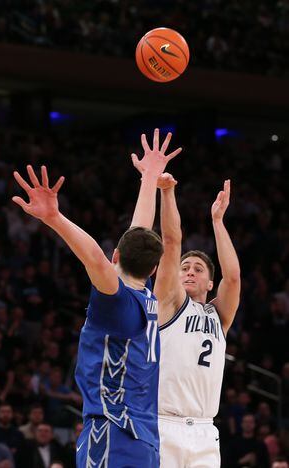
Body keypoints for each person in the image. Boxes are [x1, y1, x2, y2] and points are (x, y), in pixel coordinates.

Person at [12, 129, 181, 468]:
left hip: (112, 432)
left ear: (115, 256)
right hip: (146, 440)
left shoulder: (116, 301)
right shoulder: (147, 298)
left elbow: (94, 257)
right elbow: (139, 231)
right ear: (151, 270)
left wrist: (54, 218)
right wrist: (149, 178)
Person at [131, 159, 240, 467]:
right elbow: (171, 241)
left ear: (209, 282)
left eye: (198, 269)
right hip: (165, 424)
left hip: (206, 431)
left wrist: (218, 221)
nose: (189, 272)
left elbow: (233, 278)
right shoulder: (168, 302)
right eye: (185, 268)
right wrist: (167, 192)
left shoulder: (219, 316)